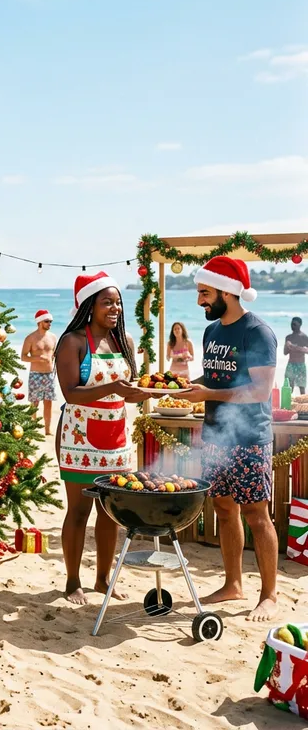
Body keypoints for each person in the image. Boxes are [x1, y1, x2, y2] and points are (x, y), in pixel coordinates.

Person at [181, 256, 278, 622]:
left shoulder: (258, 332)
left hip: (250, 437)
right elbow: (213, 378)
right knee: (223, 509)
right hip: (216, 435)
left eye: (205, 293)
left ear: (227, 291)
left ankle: (269, 595)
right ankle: (233, 584)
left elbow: (260, 391)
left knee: (257, 515)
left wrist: (207, 394)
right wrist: (183, 385)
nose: (200, 301)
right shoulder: (212, 332)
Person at [54, 271, 146, 605]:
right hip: (79, 438)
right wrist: (114, 388)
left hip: (117, 438)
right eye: (107, 302)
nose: (115, 308)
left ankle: (103, 579)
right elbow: (71, 393)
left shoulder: (126, 341)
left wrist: (141, 393)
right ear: (89, 306)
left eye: (118, 302)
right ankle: (72, 581)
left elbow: (127, 391)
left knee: (110, 512)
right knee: (79, 512)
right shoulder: (73, 342)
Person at [21, 309, 57, 435]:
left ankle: (47, 430)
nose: (49, 324)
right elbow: (23, 357)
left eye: (50, 321)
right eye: (47, 321)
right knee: (34, 402)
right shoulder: (30, 338)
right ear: (40, 322)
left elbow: (54, 355)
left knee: (48, 403)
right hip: (35, 374)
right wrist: (37, 358)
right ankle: (33, 427)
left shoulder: (53, 337)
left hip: (49, 374)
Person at [284, 316, 308, 395]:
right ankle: (288, 403)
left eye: (294, 324)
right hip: (291, 365)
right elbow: (285, 352)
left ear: (300, 325)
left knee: (302, 388)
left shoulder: (304, 337)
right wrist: (287, 346)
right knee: (288, 388)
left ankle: (303, 403)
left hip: (300, 365)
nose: (292, 326)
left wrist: (296, 348)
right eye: (291, 324)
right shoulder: (288, 337)